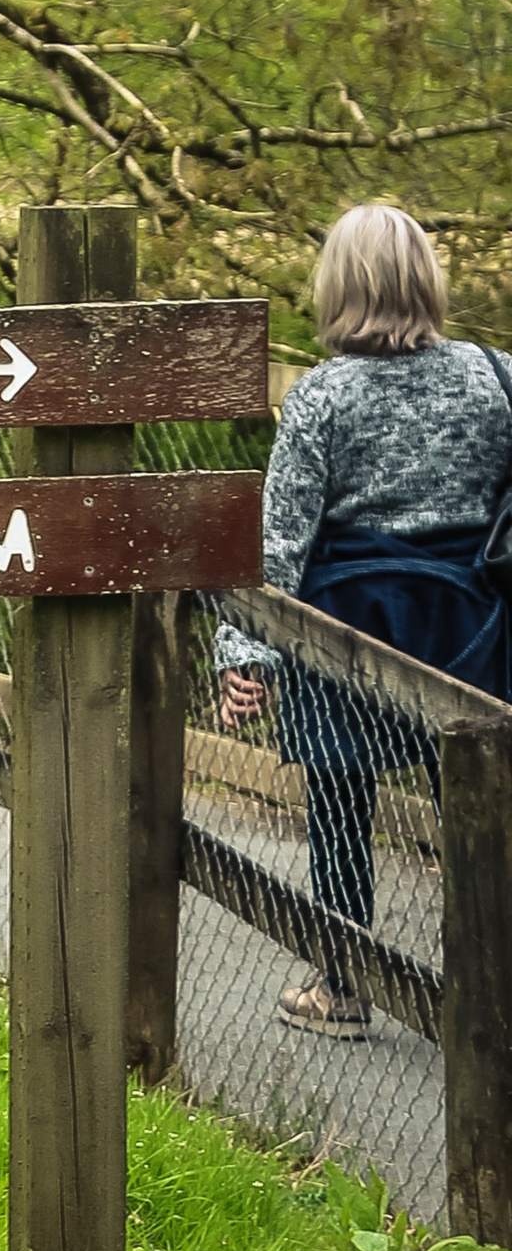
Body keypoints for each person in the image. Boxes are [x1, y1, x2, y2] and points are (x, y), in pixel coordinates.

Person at [219, 204, 512, 1038]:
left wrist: (245, 654)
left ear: (339, 287)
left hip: (345, 634)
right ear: (426, 280)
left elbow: (278, 545)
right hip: (469, 630)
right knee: (478, 813)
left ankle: (342, 985)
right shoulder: (497, 378)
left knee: (340, 806)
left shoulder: (322, 397)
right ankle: (487, 986)